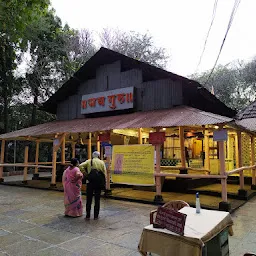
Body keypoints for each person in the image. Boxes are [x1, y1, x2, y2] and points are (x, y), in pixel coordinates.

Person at [79, 151, 106, 220]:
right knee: (97, 199)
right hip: (98, 183)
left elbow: (80, 166)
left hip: (90, 182)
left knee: (89, 199)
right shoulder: (102, 162)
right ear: (99, 156)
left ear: (92, 156)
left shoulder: (89, 161)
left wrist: (85, 174)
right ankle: (96, 216)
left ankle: (88, 216)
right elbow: (104, 173)